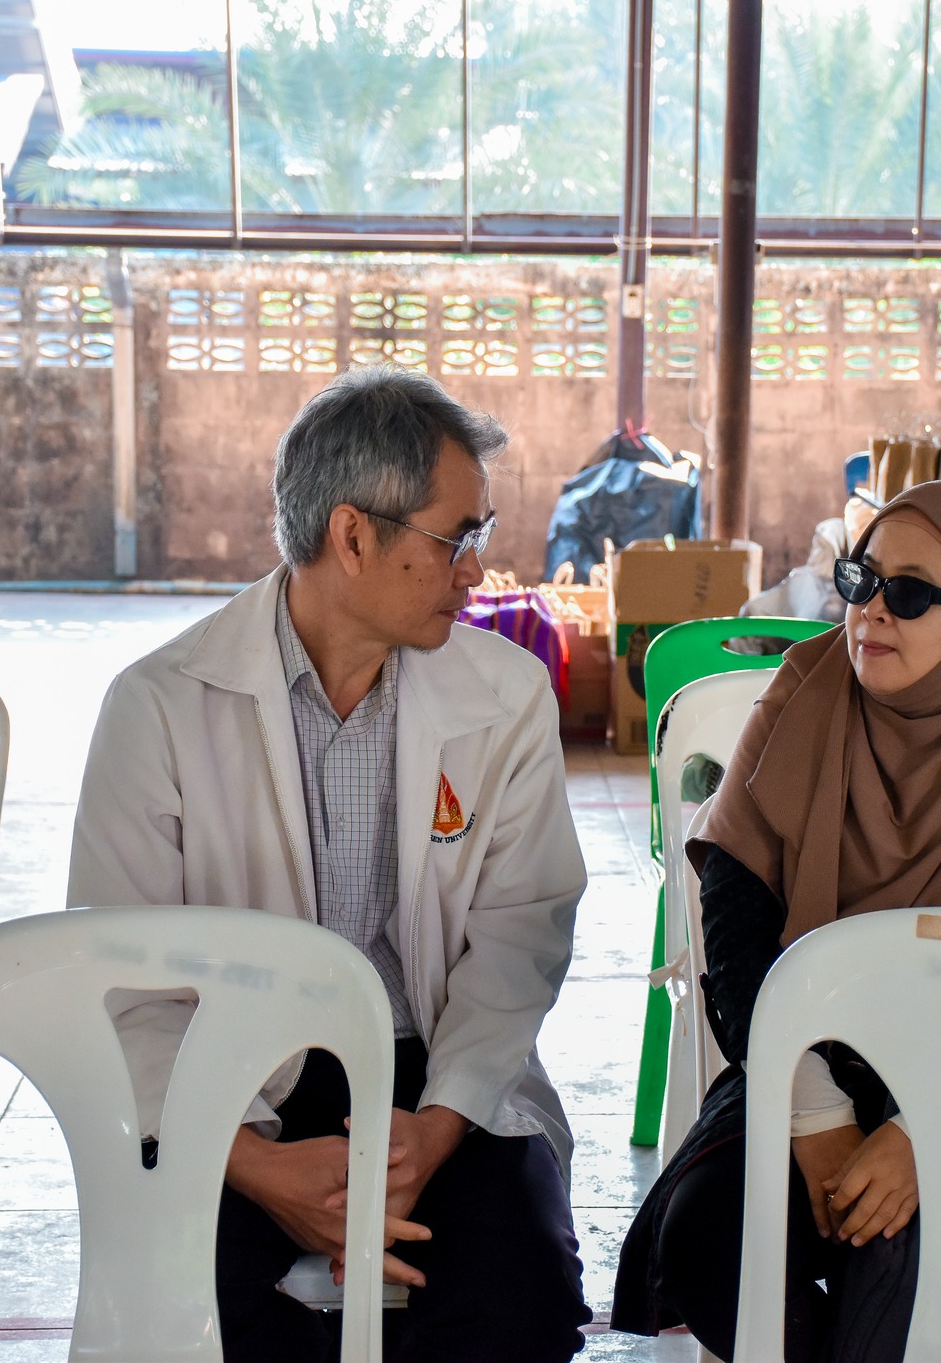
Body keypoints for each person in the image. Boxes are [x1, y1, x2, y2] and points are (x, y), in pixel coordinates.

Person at [68, 366, 592, 1362]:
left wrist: (434, 1132)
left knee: (520, 1303)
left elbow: (520, 937)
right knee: (190, 1310)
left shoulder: (507, 694)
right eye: (457, 538)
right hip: (228, 1075)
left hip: (430, 1061)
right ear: (353, 537)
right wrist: (254, 1167)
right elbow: (120, 986)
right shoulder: (160, 705)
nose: (476, 571)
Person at [611, 480, 941, 1362]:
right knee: (708, 1243)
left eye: (912, 591)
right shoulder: (804, 699)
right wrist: (815, 1114)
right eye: (861, 579)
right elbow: (737, 939)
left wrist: (923, 1132)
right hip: (812, 1055)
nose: (873, 610)